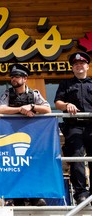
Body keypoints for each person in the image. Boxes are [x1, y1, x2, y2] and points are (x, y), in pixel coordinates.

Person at [0, 63, 50, 206]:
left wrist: (32, 106)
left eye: (17, 77)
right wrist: (21, 109)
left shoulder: (34, 93)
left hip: (32, 138)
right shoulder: (7, 93)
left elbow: (48, 109)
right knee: (15, 167)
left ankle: (36, 197)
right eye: (12, 77)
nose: (13, 79)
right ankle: (18, 199)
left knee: (33, 166)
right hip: (12, 136)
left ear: (25, 78)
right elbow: (1, 109)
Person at [54, 51, 92, 205]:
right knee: (76, 159)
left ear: (87, 66)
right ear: (72, 68)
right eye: (76, 65)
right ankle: (81, 193)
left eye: (82, 64)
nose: (79, 66)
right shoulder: (66, 84)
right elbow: (58, 102)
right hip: (74, 126)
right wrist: (67, 105)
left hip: (91, 126)